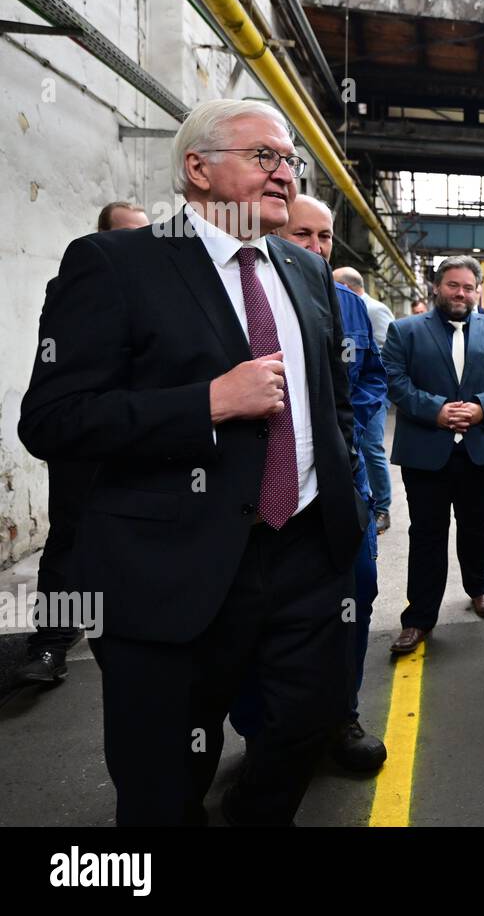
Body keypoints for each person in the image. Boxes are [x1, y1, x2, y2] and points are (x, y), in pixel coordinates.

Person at [19, 99, 367, 826]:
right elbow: (52, 420)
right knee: (164, 781)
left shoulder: (306, 273)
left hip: (306, 558)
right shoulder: (116, 264)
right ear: (197, 169)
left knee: (305, 727)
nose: (284, 173)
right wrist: (204, 403)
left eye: (290, 160)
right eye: (264, 157)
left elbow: (331, 403)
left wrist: (346, 506)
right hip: (172, 570)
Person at [242, 193, 386, 772]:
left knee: (356, 597)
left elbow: (368, 378)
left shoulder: (347, 304)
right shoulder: (243, 294)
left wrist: (345, 438)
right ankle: (262, 734)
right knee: (259, 623)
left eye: (325, 238)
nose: (316, 248)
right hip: (258, 502)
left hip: (339, 490)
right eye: (305, 234)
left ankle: (341, 714)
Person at [12, 198, 147, 689]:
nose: (137, 244)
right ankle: (50, 644)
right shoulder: (79, 284)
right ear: (102, 237)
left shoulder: (163, 289)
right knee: (70, 537)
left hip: (143, 435)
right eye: (126, 233)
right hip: (89, 437)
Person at [384, 256, 484, 653]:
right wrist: (436, 411)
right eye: (452, 285)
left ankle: (480, 587)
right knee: (426, 533)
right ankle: (419, 618)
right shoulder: (405, 331)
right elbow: (395, 380)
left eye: (468, 286)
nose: (460, 293)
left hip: (479, 451)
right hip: (426, 452)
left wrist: (481, 407)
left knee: (476, 524)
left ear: (479, 290)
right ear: (436, 287)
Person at [334, 266, 395, 534]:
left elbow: (385, 353)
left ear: (347, 286)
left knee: (371, 448)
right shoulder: (339, 305)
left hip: (370, 395)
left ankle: (382, 507)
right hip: (349, 395)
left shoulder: (374, 309)